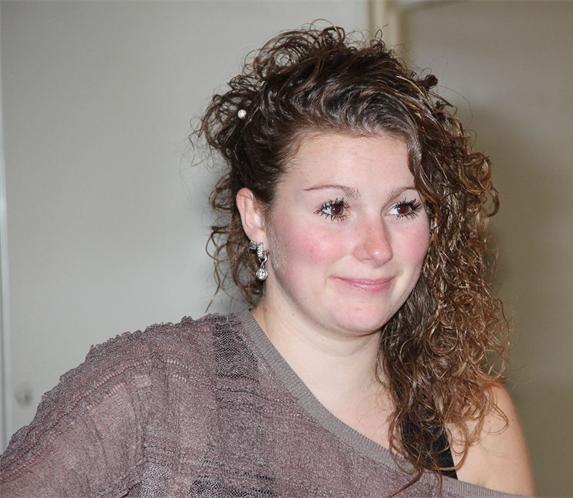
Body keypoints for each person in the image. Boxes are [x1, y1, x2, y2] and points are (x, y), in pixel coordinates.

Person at [0, 25, 533, 497]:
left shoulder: (475, 421)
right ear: (257, 217)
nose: (377, 248)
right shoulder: (148, 395)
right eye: (334, 207)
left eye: (403, 207)